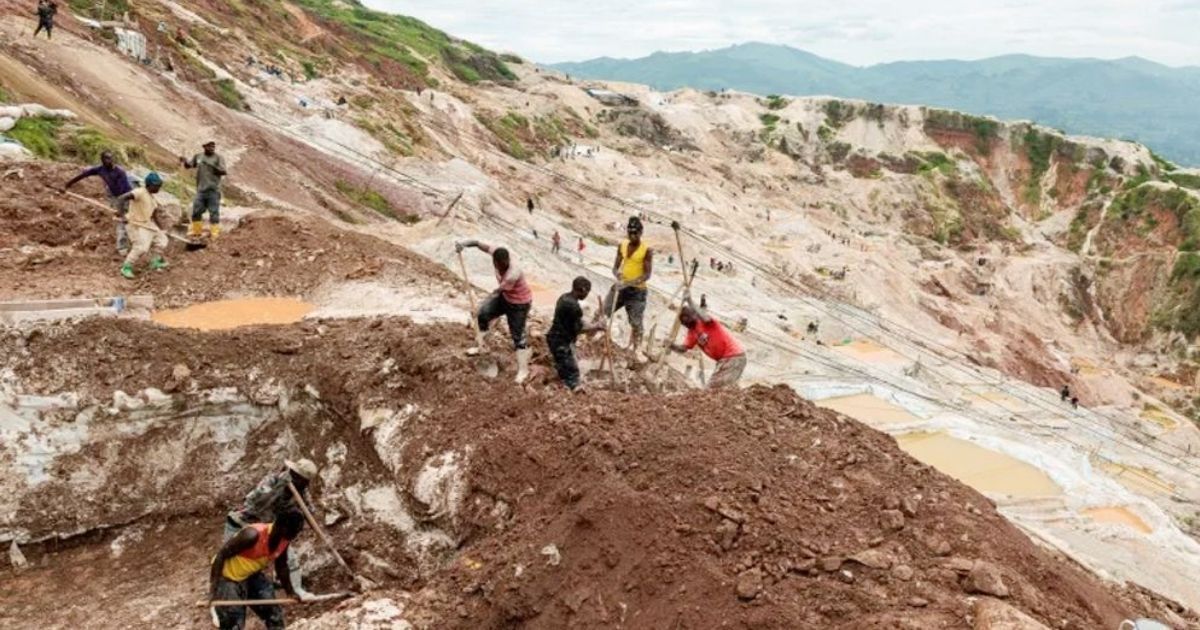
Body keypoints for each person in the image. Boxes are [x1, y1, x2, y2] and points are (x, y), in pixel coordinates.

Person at [225, 459, 319, 601]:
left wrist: (306, 514)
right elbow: (256, 500)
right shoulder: (273, 480)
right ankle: (221, 601)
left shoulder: (301, 492)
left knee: (287, 557)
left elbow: (310, 511)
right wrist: (281, 490)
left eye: (304, 481)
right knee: (230, 562)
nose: (291, 475)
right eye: (293, 473)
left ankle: (296, 590)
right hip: (243, 523)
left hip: (269, 530)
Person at [210, 511, 306, 630]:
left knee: (273, 613)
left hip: (250, 575)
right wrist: (214, 590)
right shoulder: (252, 535)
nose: (295, 535)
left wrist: (291, 592)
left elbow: (281, 566)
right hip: (228, 577)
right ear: (283, 527)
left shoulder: (284, 539)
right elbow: (221, 556)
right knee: (232, 623)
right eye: (294, 532)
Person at [456, 239, 534, 383]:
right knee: (483, 315)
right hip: (505, 297)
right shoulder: (497, 253)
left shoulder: (512, 273)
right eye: (497, 264)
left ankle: (523, 369)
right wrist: (464, 244)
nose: (499, 267)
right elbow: (478, 243)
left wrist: (479, 305)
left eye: (502, 265)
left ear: (507, 261)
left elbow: (496, 292)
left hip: (519, 304)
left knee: (518, 336)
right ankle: (482, 346)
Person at [62, 150, 134, 253]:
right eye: (107, 158)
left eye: (111, 158)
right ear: (102, 160)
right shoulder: (100, 170)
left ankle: (130, 243)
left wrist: (120, 208)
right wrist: (68, 184)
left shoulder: (120, 172)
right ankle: (123, 247)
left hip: (127, 196)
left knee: (127, 219)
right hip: (114, 197)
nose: (110, 160)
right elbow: (84, 175)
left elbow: (123, 191)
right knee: (121, 221)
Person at [670, 297, 747, 389]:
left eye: (687, 316)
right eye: (682, 319)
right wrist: (671, 345)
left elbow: (704, 316)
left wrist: (690, 301)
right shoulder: (692, 332)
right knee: (723, 389)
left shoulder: (706, 322)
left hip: (733, 357)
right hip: (725, 360)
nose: (685, 320)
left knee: (713, 389)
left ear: (694, 315)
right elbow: (683, 348)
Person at [603, 216, 653, 350]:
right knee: (603, 312)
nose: (632, 236)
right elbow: (615, 267)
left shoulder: (646, 250)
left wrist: (629, 283)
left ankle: (637, 350)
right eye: (630, 232)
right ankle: (591, 339)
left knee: (636, 323)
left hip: (637, 292)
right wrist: (617, 273)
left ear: (641, 232)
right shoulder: (622, 245)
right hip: (621, 287)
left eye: (635, 233)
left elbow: (647, 275)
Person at [547, 276, 604, 391]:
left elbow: (577, 321)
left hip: (555, 337)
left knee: (567, 364)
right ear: (582, 290)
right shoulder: (574, 306)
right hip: (561, 342)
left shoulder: (564, 297)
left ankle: (562, 376)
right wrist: (597, 326)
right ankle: (569, 391)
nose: (587, 294)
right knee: (573, 375)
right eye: (587, 291)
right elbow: (579, 329)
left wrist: (595, 325)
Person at [114, 173, 168, 279]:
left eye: (159, 186)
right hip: (135, 224)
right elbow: (121, 198)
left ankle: (154, 261)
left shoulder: (152, 198)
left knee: (162, 240)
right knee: (141, 247)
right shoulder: (140, 192)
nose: (158, 188)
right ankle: (126, 267)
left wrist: (161, 228)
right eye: (156, 186)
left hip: (147, 223)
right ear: (149, 185)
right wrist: (122, 215)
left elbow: (154, 214)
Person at [180, 141, 227, 240]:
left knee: (214, 213)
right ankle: (196, 232)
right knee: (196, 212)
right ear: (204, 147)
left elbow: (223, 171)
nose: (212, 148)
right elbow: (189, 165)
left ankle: (214, 234)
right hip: (201, 190)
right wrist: (184, 161)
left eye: (213, 146)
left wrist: (211, 165)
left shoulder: (218, 158)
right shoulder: (198, 156)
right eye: (209, 146)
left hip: (213, 190)